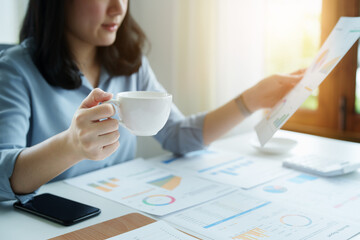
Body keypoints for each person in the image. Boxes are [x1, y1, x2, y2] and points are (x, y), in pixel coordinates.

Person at [0, 0, 304, 203]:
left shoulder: (131, 63)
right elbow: (3, 175)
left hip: (122, 209)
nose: (119, 8)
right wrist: (71, 146)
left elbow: (177, 135)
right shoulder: (15, 69)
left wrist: (249, 101)